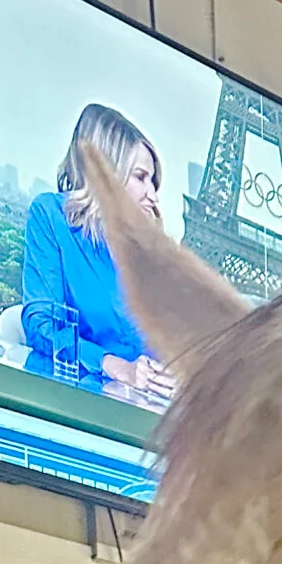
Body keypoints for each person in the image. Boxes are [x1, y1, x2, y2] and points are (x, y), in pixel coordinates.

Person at [20, 104, 176, 407]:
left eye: (154, 182)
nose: (153, 195)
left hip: (147, 414)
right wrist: (116, 367)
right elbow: (40, 324)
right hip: (75, 406)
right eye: (141, 177)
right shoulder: (50, 216)